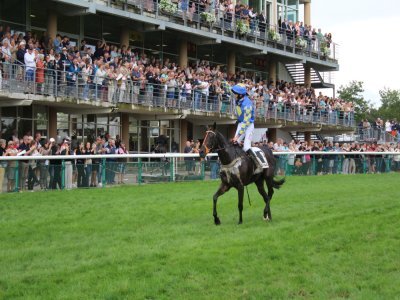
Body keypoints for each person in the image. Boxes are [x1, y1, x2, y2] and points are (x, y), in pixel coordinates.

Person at [231, 84, 268, 170]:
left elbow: (246, 122)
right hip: (241, 123)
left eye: (235, 93)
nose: (234, 94)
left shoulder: (247, 104)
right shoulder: (238, 100)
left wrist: (237, 136)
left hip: (248, 125)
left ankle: (257, 164)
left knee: (246, 147)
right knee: (234, 144)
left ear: (240, 94)